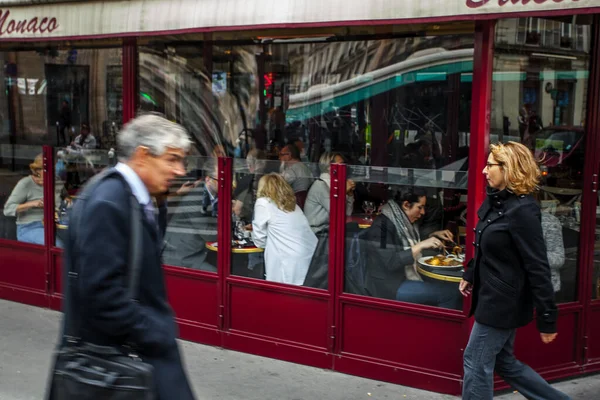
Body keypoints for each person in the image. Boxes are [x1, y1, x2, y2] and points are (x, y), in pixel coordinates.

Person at [56, 114, 196, 399]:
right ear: (142, 155)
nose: (180, 170)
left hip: (134, 360)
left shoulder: (137, 196)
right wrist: (154, 330)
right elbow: (101, 294)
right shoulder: (109, 201)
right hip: (121, 366)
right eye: (172, 159)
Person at [460, 141, 567, 400]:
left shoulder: (523, 211)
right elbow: (488, 246)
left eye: (490, 166)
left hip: (502, 302)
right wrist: (470, 273)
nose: (485, 171)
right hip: (492, 295)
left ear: (509, 169)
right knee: (503, 362)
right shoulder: (498, 202)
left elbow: (538, 265)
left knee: (475, 361)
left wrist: (547, 318)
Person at [362, 187, 460, 308]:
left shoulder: (402, 220)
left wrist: (432, 235)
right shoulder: (381, 226)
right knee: (450, 293)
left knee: (451, 286)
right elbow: (390, 262)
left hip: (400, 278)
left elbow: (405, 242)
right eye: (420, 207)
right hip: (388, 287)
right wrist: (420, 245)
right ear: (406, 205)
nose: (423, 212)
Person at [252, 173, 317, 285]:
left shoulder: (263, 203)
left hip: (287, 259)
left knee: (283, 295)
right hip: (308, 254)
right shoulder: (292, 204)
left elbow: (259, 238)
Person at [303, 152, 355, 288]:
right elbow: (336, 211)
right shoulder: (321, 185)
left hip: (327, 231)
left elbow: (347, 213)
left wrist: (348, 194)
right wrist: (344, 191)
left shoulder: (334, 185)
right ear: (328, 167)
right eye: (340, 163)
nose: (344, 166)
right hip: (317, 233)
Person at [162, 159, 219, 272]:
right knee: (216, 274)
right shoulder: (195, 198)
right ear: (208, 180)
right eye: (220, 180)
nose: (227, 183)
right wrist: (230, 231)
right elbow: (207, 234)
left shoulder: (213, 195)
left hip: (197, 249)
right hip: (181, 255)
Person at [3, 154, 47, 245]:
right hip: (29, 227)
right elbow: (8, 209)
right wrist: (32, 204)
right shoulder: (26, 183)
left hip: (53, 225)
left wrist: (67, 199)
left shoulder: (56, 181)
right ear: (37, 170)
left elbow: (64, 196)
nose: (55, 171)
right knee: (59, 246)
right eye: (48, 169)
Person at [279, 143, 313, 208]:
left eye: (282, 154)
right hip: (306, 201)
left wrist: (282, 165)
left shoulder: (292, 169)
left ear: (289, 155)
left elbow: (281, 184)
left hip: (296, 202)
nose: (279, 157)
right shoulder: (304, 166)